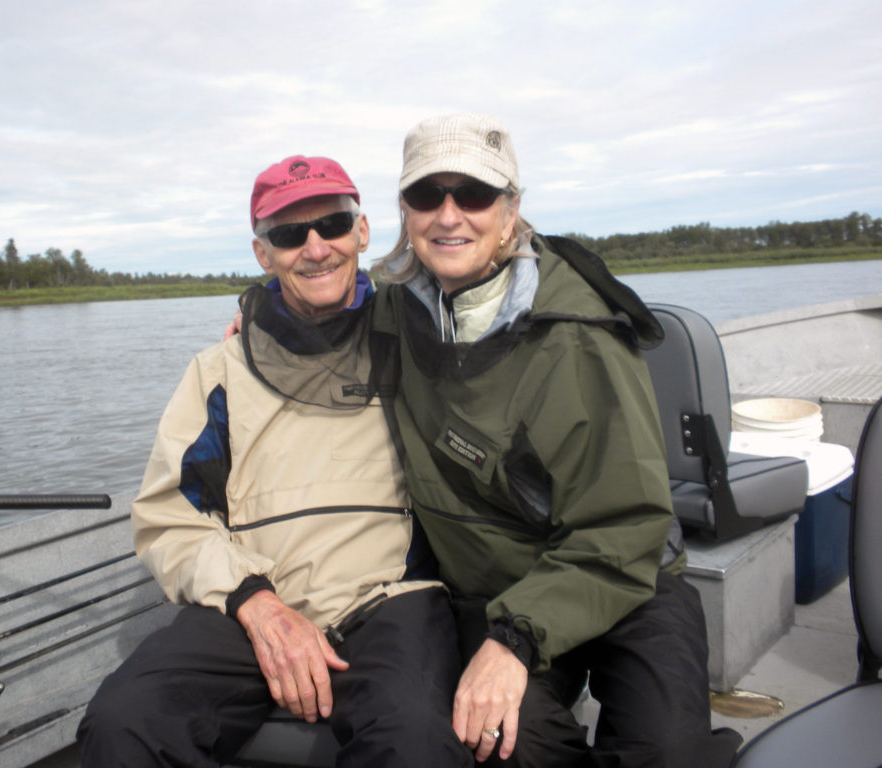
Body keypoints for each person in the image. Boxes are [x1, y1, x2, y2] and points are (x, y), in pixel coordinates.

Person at [369, 113, 743, 767]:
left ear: (511, 211)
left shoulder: (586, 334)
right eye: (427, 196)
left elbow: (626, 527)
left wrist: (513, 642)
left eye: (475, 195)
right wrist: (258, 314)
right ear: (405, 212)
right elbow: (312, 288)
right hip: (494, 589)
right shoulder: (385, 314)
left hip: (626, 576)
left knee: (669, 751)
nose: (448, 215)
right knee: (500, 745)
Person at [77, 155, 472, 767]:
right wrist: (257, 605)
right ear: (264, 254)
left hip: (392, 599)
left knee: (417, 738)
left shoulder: (422, 336)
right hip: (253, 602)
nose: (315, 249)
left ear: (362, 232)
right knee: (124, 720)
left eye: (334, 226)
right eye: (289, 234)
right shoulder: (218, 371)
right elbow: (168, 518)